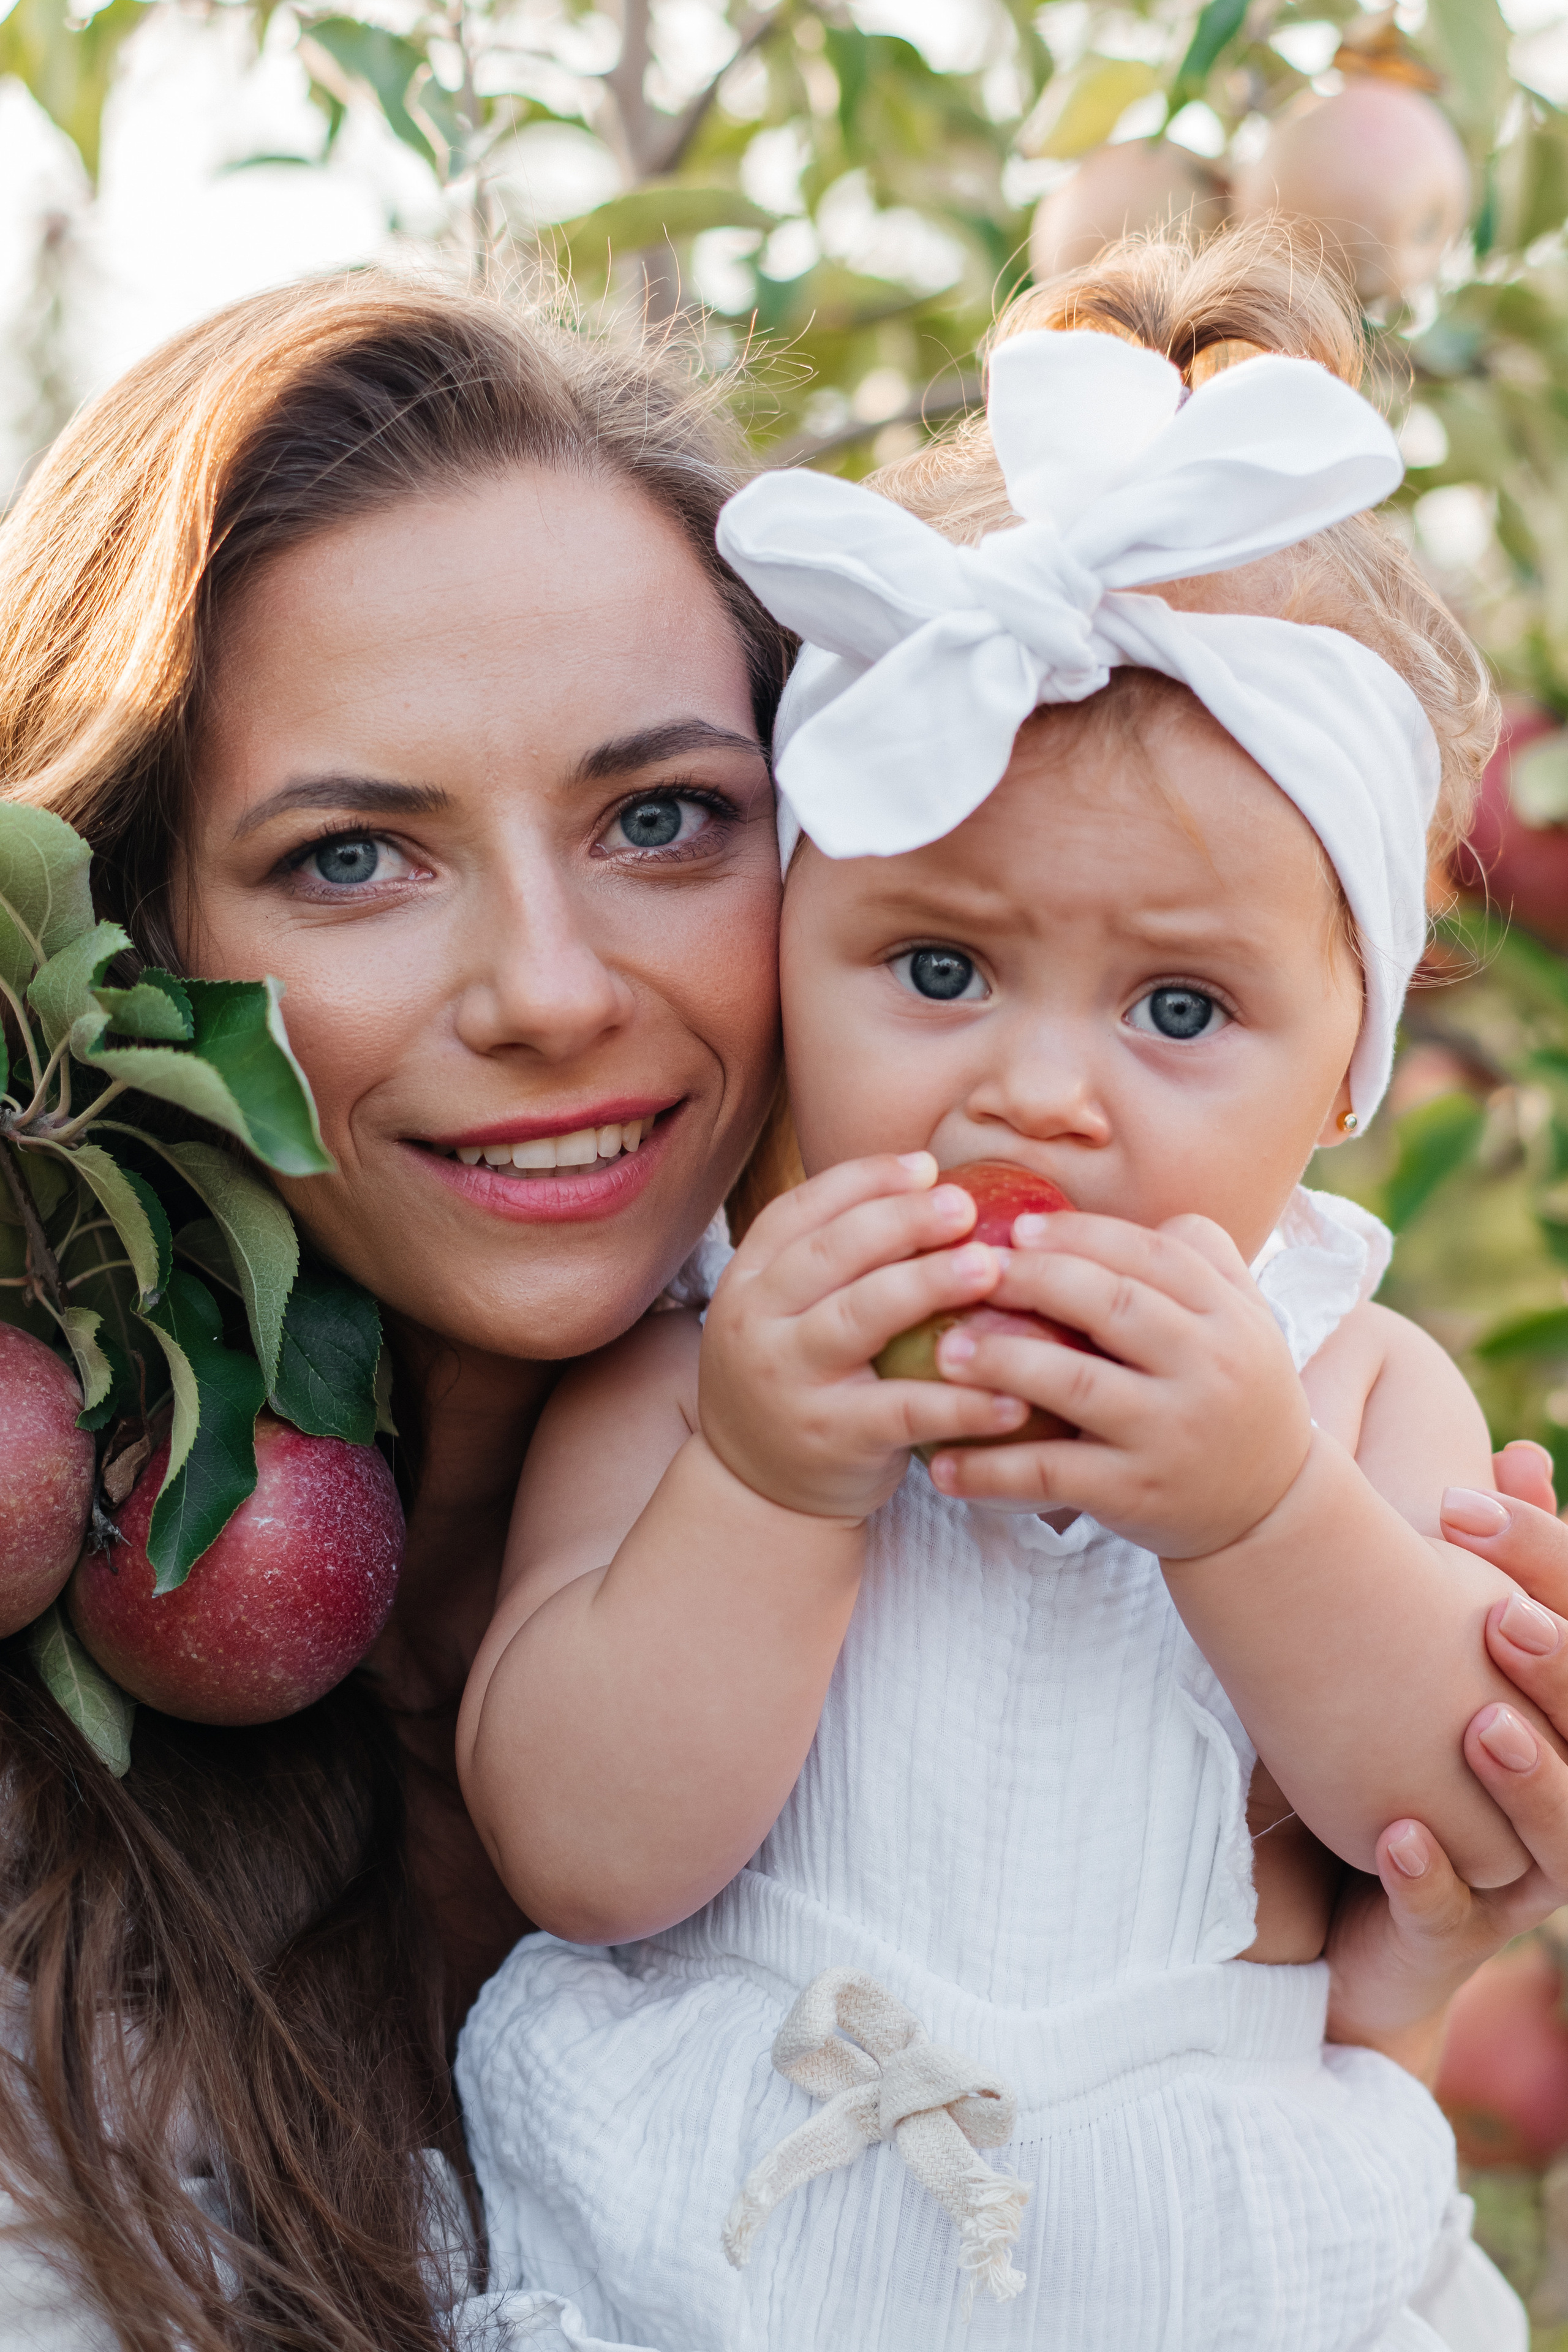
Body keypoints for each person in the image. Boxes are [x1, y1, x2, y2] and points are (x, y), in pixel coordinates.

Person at [455, 230, 1547, 2350]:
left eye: (1177, 1006)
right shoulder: (699, 1374)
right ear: (790, 950)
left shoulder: (1348, 1397)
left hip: (1209, 2279)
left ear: (1350, 1059)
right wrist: (768, 1481)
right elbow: (583, 1853)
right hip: (724, 2251)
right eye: (936, 970)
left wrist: (1261, 1515)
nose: (1038, 1094)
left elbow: (1453, 1829)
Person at [0, 271, 790, 2352]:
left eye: (664, 819)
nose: (548, 988)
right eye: (357, 857)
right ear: (124, 936)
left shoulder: (1002, 1552)